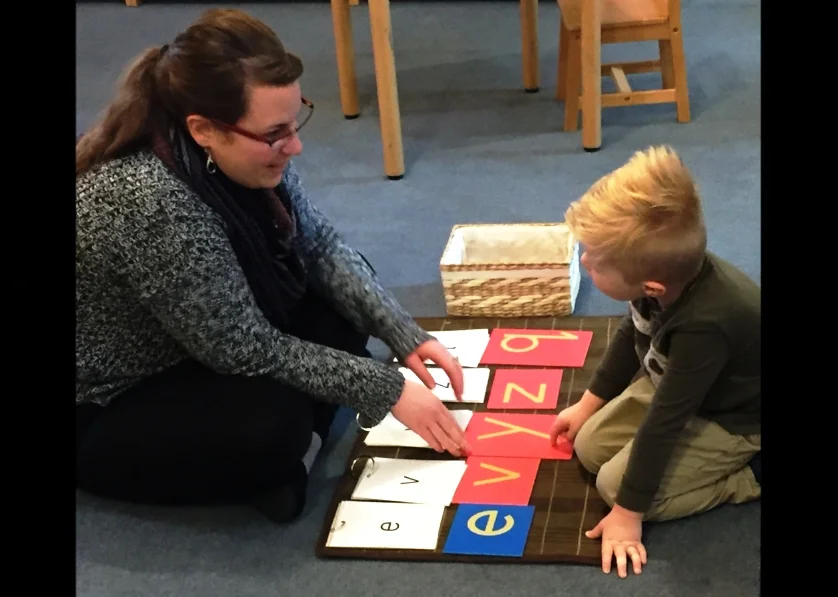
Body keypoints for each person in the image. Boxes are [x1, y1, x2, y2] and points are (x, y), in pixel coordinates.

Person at [75, 8, 470, 524]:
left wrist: (404, 333)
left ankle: (282, 458)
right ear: (203, 130)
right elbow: (240, 349)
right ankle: (282, 452)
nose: (296, 144)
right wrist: (386, 387)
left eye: (296, 117)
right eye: (276, 133)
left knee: (345, 299)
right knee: (272, 429)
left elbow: (319, 245)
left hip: (203, 340)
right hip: (118, 394)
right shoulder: (150, 201)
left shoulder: (242, 152)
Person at [548, 146, 760, 578]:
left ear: (650, 284)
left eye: (597, 264)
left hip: (732, 417)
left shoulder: (708, 324)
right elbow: (632, 335)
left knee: (615, 486)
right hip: (674, 380)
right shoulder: (659, 285)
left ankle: (749, 478)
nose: (584, 261)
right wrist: (587, 404)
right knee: (589, 447)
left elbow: (666, 421)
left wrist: (629, 513)